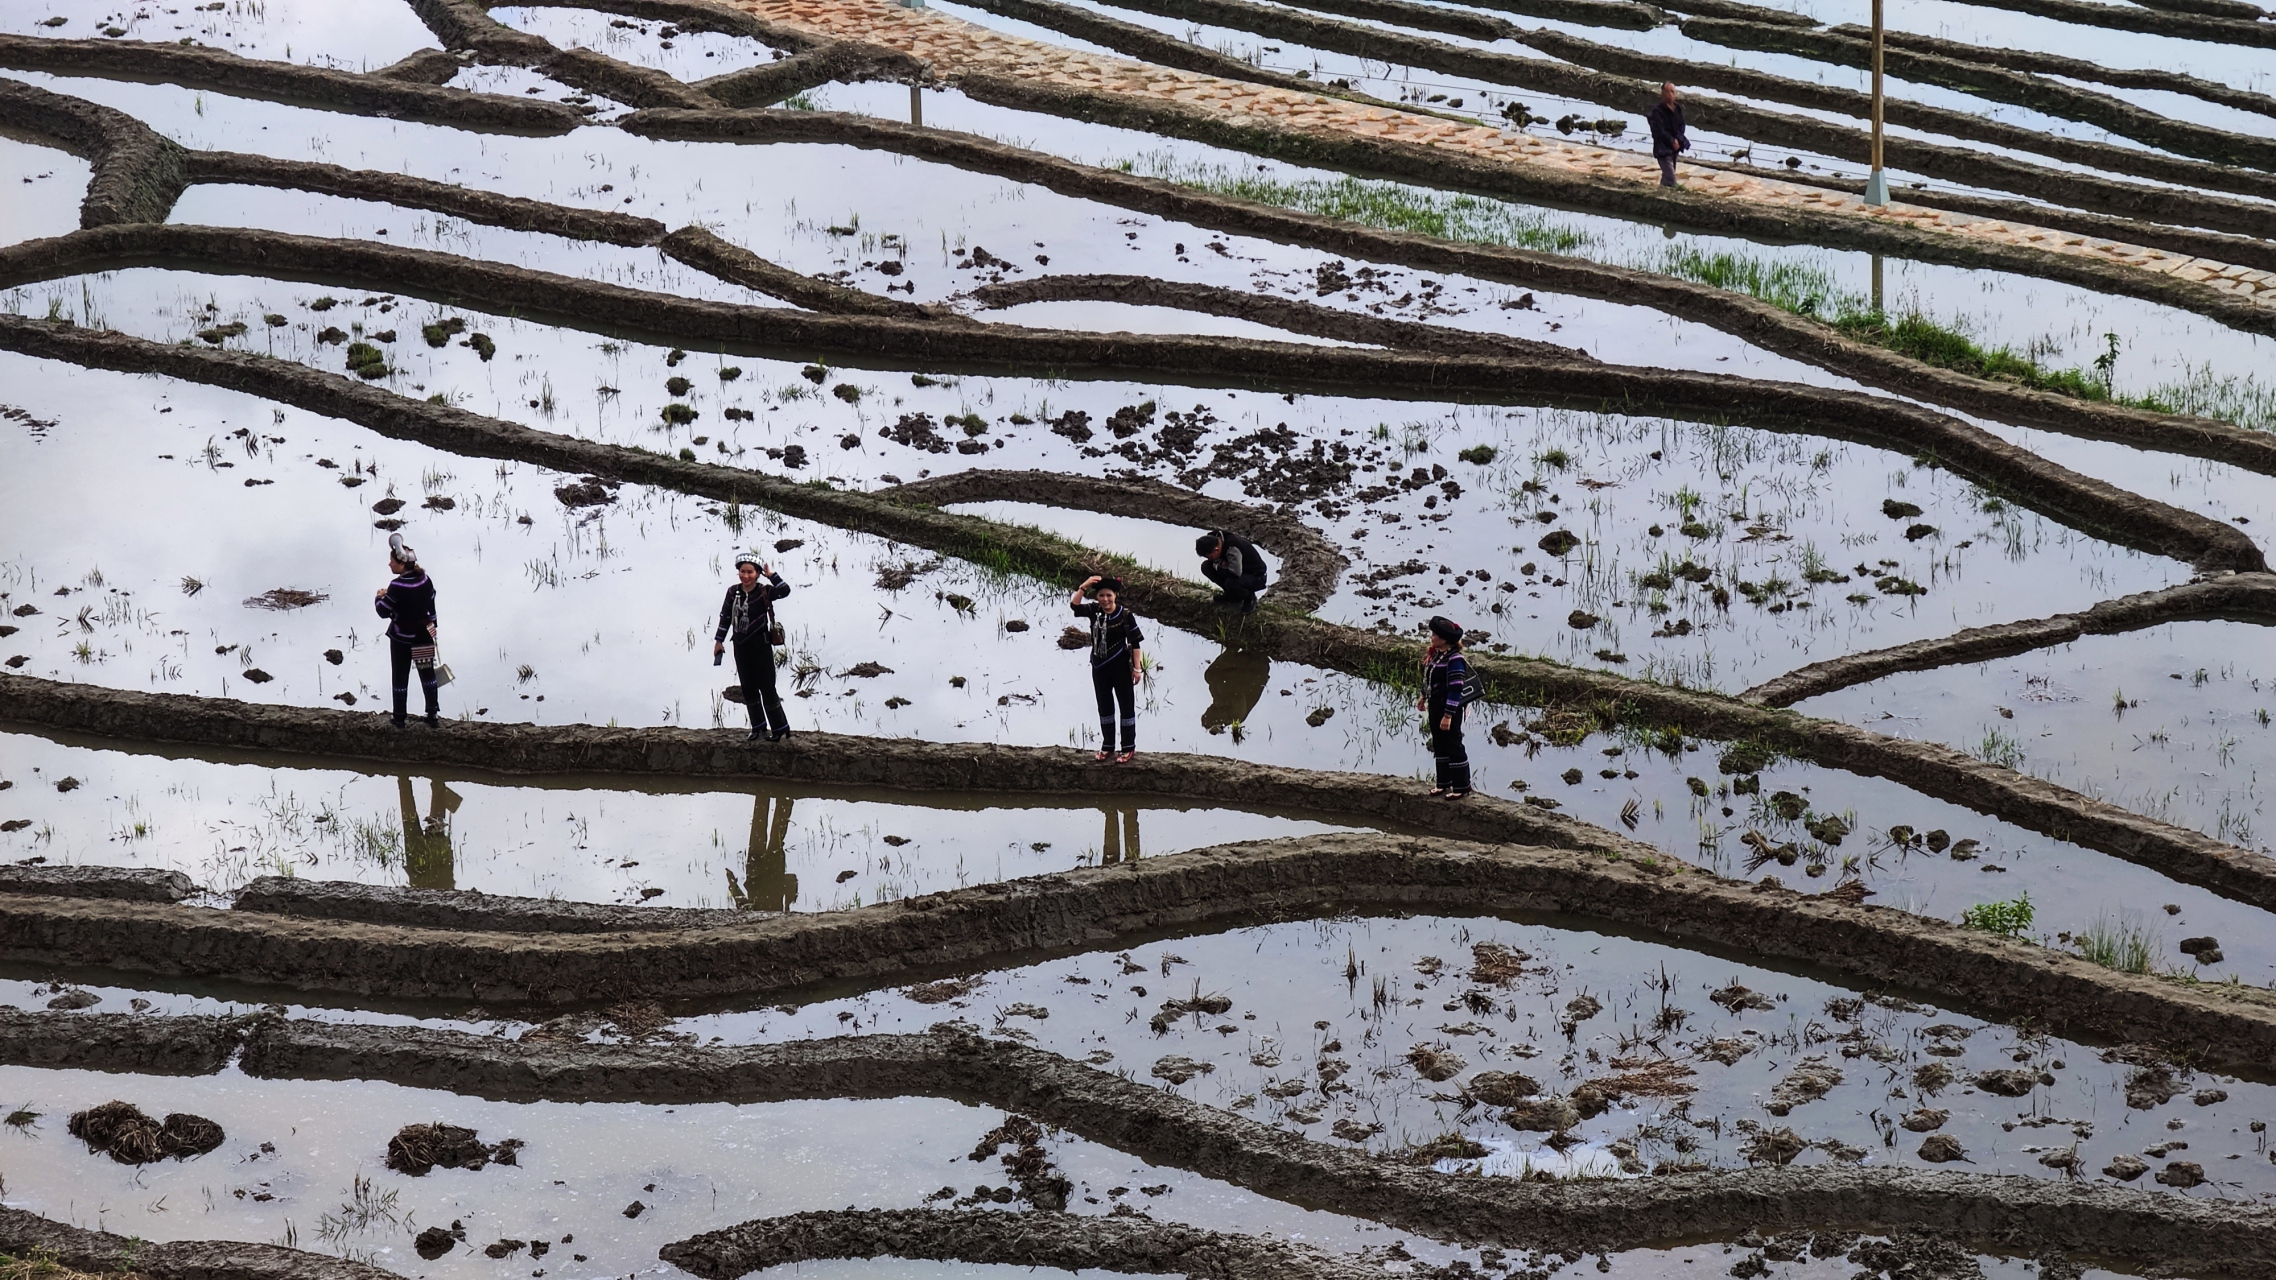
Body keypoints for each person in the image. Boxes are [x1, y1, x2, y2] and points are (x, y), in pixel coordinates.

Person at [713, 551, 792, 742]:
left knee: (767, 687)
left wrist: (772, 575)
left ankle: (780, 728)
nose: (746, 576)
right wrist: (719, 641)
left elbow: (785, 590)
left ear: (757, 574)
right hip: (740, 646)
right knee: (748, 688)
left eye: (750, 572)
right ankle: (758, 728)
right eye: (742, 571)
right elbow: (725, 617)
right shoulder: (733, 592)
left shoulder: (765, 591)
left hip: (761, 646)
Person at [1072, 574, 1144, 763]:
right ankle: (1107, 746)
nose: (1105, 599)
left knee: (1126, 707)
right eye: (1102, 595)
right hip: (1099, 668)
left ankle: (1128, 747)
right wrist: (1084, 586)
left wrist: (1137, 669)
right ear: (1097, 597)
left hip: (1120, 667)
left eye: (1109, 595)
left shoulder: (1125, 615)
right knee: (1104, 707)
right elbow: (1075, 606)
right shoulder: (1094, 611)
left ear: (1115, 596)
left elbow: (1135, 643)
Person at [375, 532, 441, 729]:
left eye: (392, 561)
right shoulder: (424, 580)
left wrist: (379, 597)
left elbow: (383, 611)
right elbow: (431, 604)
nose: (389, 565)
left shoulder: (396, 586)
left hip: (402, 639)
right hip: (423, 635)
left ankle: (399, 718)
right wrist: (434, 626)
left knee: (400, 676)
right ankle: (432, 715)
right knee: (427, 673)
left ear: (402, 564)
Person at [1419, 615, 1472, 798]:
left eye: (1434, 635)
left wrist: (1448, 715)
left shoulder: (1455, 659)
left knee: (1453, 744)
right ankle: (1443, 783)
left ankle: (1461, 787)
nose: (1431, 637)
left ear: (1443, 639)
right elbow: (1429, 678)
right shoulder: (1437, 655)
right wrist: (1423, 696)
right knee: (1439, 743)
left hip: (1449, 708)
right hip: (1435, 704)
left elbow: (1455, 689)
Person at [1195, 529, 1269, 614]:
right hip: (1239, 570)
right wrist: (1220, 564)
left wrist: (1218, 566)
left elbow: (1235, 573)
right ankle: (1232, 595)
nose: (1209, 559)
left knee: (1231, 583)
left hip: (1256, 575)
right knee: (1206, 567)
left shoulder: (1232, 549)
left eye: (1210, 557)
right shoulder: (1215, 539)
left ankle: (1249, 598)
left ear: (1216, 549)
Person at [1647, 81, 1689, 188]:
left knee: (1667, 176)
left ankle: (1661, 191)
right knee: (1671, 177)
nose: (1670, 94)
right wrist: (1671, 140)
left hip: (1674, 149)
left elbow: (1681, 126)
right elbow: (1659, 131)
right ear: (1662, 94)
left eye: (1672, 92)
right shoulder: (1657, 112)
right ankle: (1673, 195)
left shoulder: (1677, 109)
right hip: (1663, 149)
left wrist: (1679, 139)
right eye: (1667, 92)